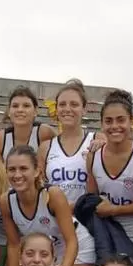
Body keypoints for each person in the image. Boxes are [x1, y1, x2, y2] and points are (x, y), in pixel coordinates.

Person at [0, 144, 97, 266]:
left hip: (78, 248)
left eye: (23, 168)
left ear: (36, 171)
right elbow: (14, 245)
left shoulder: (52, 195)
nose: (17, 175)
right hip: (44, 252)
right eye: (12, 169)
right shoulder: (5, 201)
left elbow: (71, 240)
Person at [86, 89, 133, 256]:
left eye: (121, 120)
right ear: (101, 124)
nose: (115, 126)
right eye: (108, 121)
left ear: (131, 122)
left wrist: (114, 210)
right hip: (107, 234)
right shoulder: (93, 156)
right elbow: (92, 199)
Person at [38, 79, 96, 207]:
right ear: (57, 109)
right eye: (62, 104)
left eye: (74, 104)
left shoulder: (97, 140)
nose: (67, 109)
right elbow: (39, 190)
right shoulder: (45, 148)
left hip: (87, 219)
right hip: (55, 220)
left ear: (84, 109)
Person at [0, 86, 56, 159]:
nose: (20, 110)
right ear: (9, 111)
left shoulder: (45, 133)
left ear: (35, 111)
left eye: (26, 106)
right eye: (15, 106)